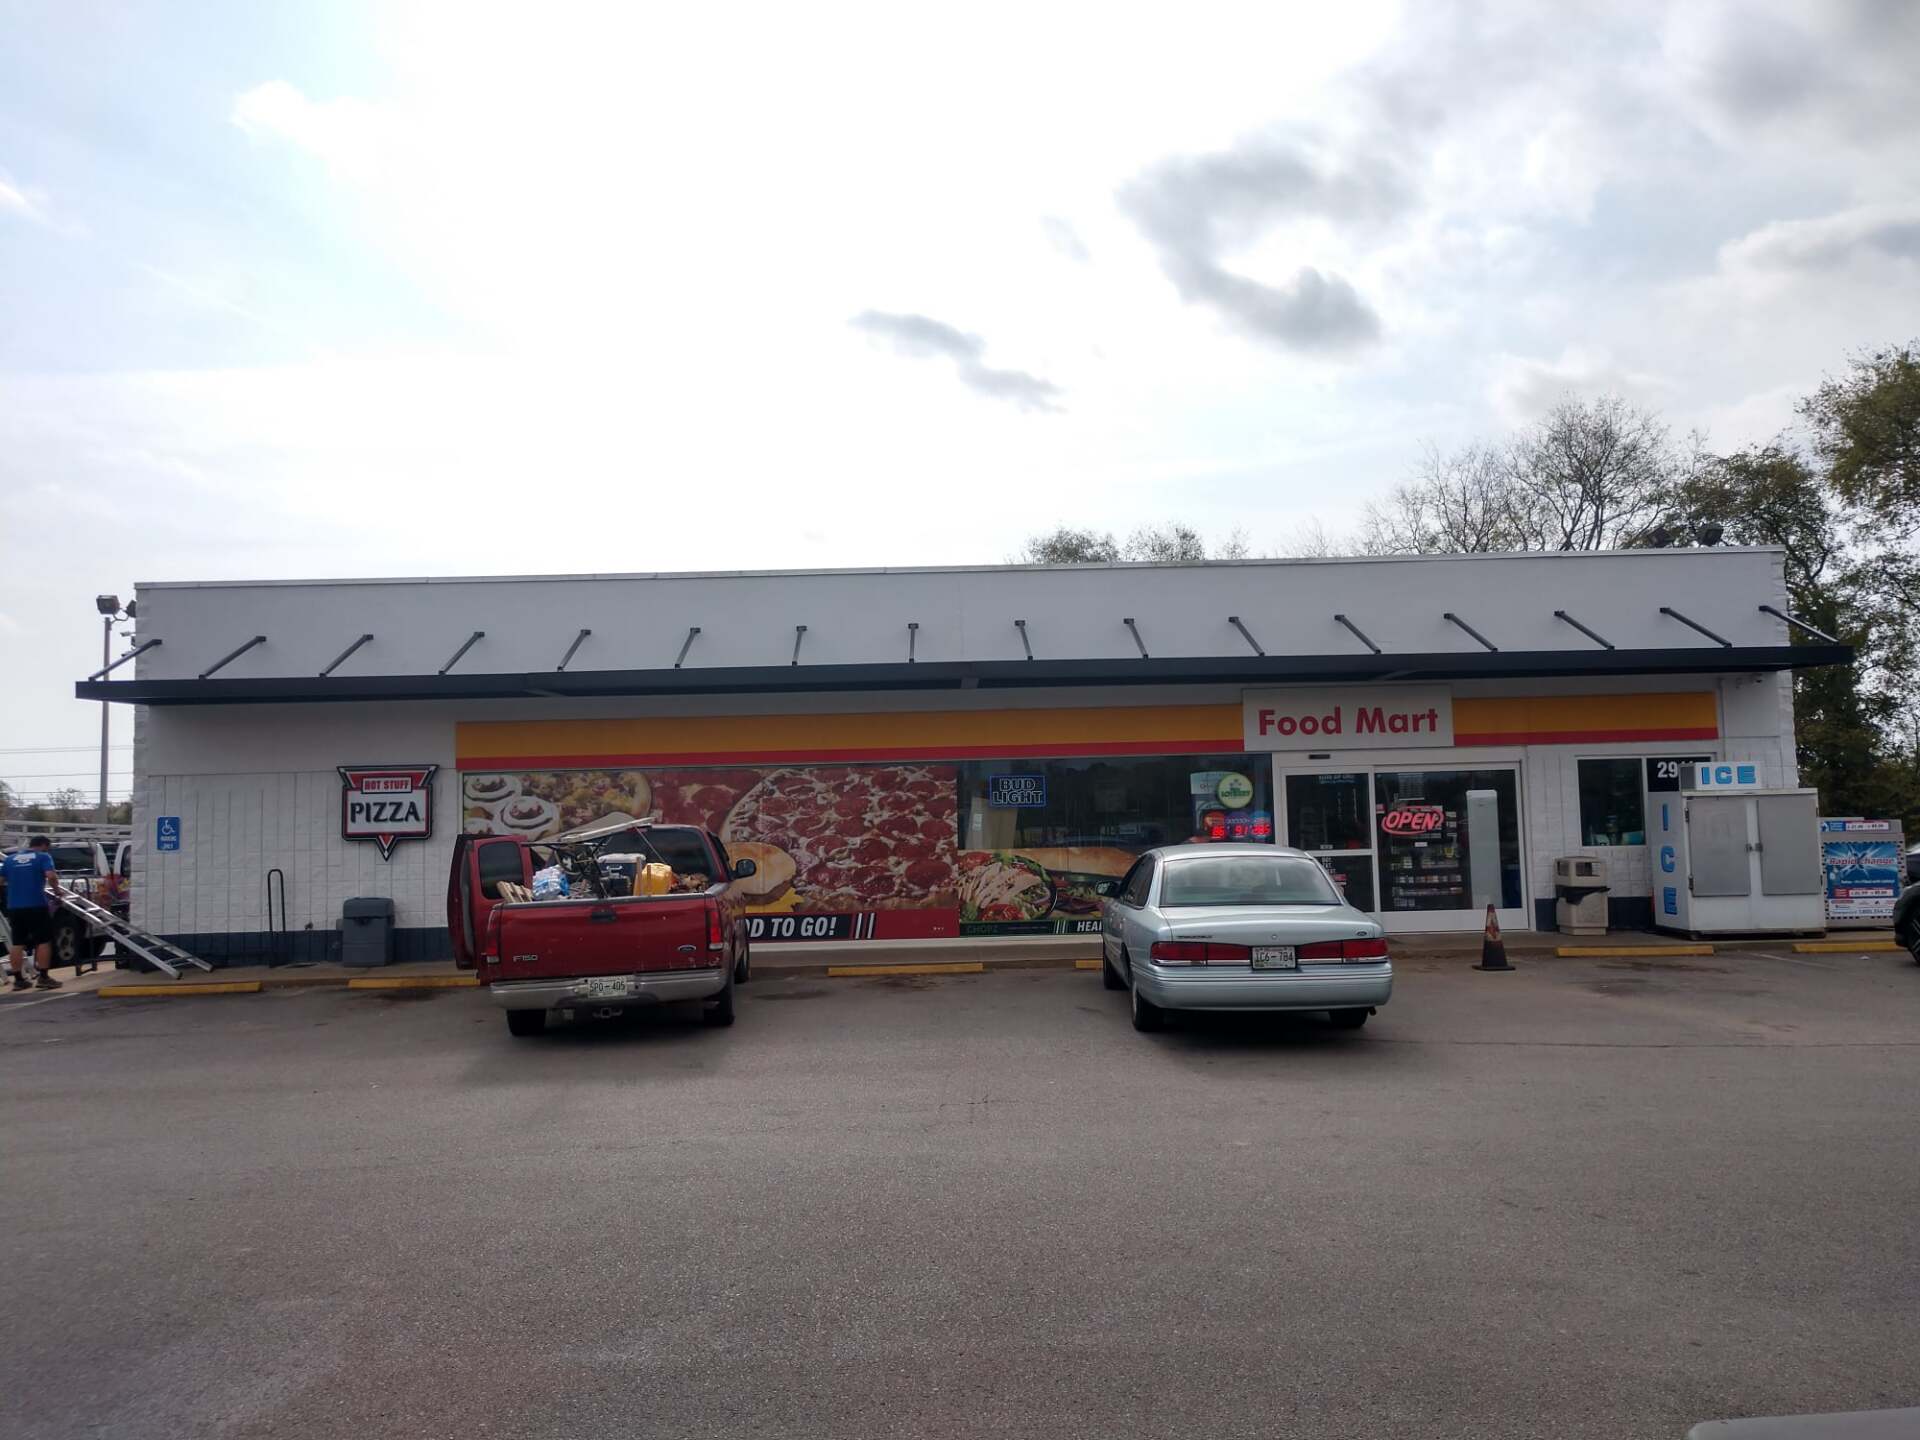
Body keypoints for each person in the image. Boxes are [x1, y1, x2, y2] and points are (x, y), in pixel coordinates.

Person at [4, 836, 64, 992]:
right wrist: (57, 892)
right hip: (36, 904)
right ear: (44, 845)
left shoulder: (10, 859)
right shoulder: (43, 857)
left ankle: (18, 980)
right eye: (48, 848)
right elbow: (51, 876)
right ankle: (44, 978)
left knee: (17, 943)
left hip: (15, 907)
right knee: (43, 941)